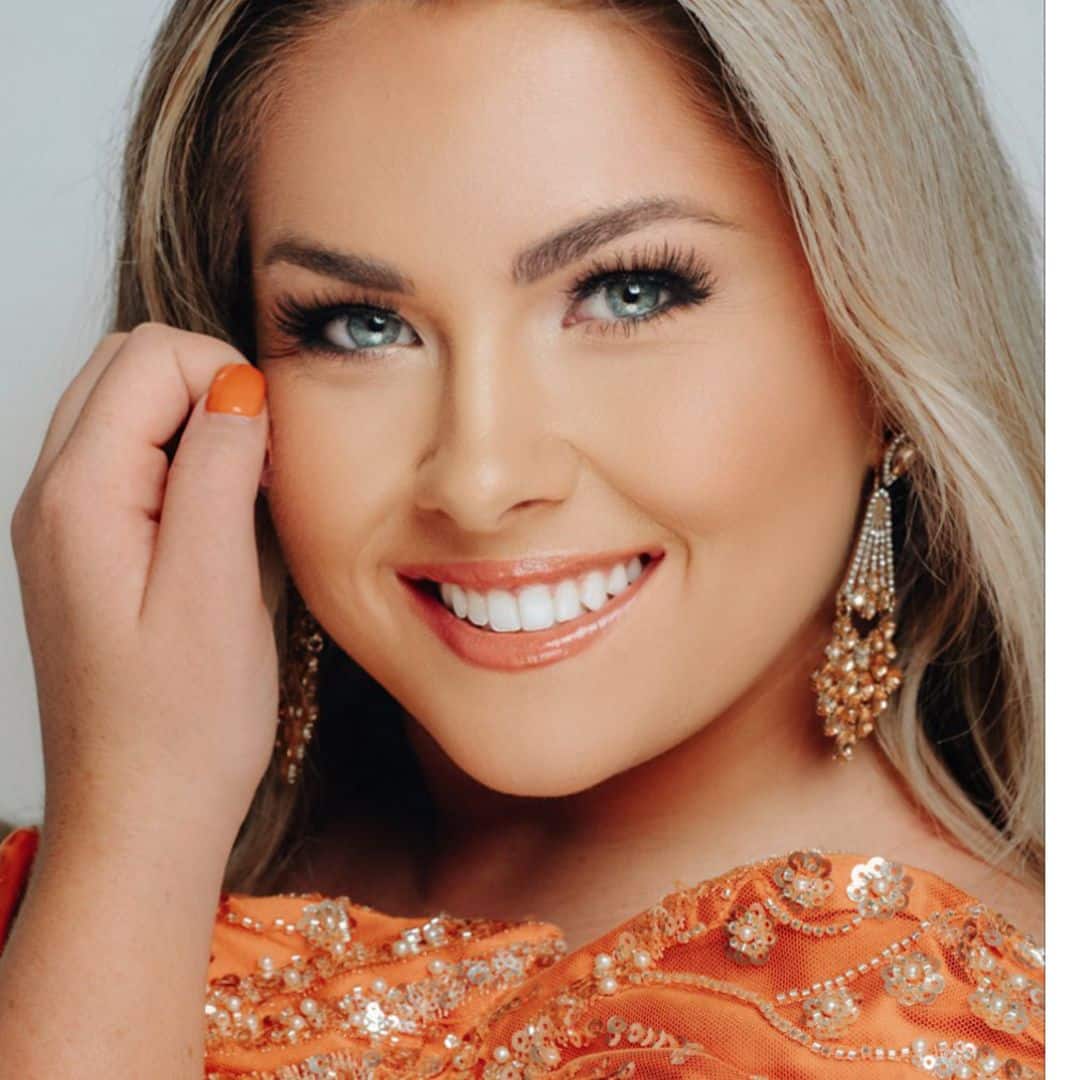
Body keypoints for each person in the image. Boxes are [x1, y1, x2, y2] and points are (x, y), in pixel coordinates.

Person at [0, 0, 1045, 1076]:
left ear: (884, 354)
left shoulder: (939, 1033)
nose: (481, 477)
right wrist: (135, 830)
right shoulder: (107, 879)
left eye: (628, 294)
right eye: (360, 325)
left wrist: (128, 845)